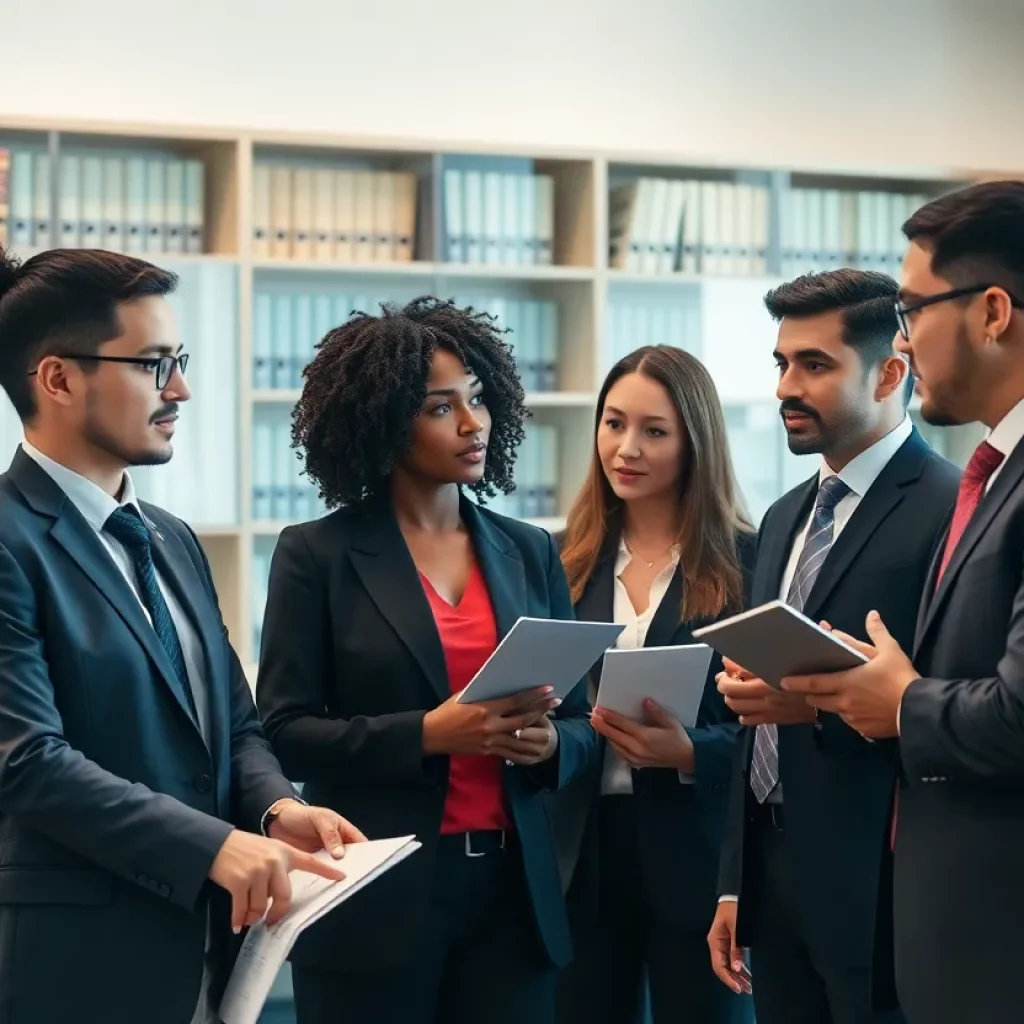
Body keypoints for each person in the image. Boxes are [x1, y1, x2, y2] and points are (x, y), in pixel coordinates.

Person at [0, 247, 365, 1024]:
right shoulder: (8, 540)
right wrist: (211, 846)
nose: (181, 389)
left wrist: (273, 810)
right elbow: (28, 761)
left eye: (180, 361)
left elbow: (233, 724)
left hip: (209, 956)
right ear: (58, 379)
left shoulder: (170, 538)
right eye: (153, 364)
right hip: (76, 971)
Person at [255, 297, 596, 1024]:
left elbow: (580, 722)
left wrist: (550, 745)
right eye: (442, 408)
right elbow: (284, 731)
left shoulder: (530, 550)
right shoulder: (316, 555)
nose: (474, 423)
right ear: (385, 422)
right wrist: (429, 734)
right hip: (377, 892)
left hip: (513, 899)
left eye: (477, 398)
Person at [779, 182, 1024, 1024]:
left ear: (992, 312)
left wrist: (899, 701)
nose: (907, 341)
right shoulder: (995, 476)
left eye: (915, 310)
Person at [708, 269, 960, 1024]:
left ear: (889, 373)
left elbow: (953, 707)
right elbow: (755, 726)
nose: (787, 386)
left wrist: (815, 707)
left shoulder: (952, 509)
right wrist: (734, 883)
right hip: (772, 877)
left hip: (881, 887)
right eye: (782, 363)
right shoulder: (784, 515)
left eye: (815, 365)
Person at [549, 345, 755, 1024]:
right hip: (580, 856)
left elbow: (778, 728)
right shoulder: (557, 560)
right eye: (613, 423)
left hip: (698, 859)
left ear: (695, 443)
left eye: (654, 431)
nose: (626, 448)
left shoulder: (750, 562)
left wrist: (695, 751)